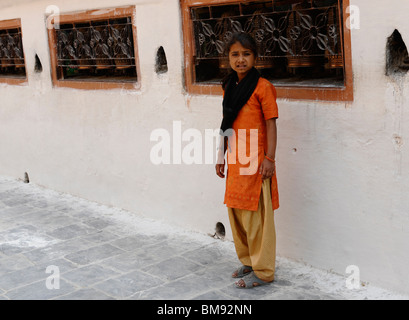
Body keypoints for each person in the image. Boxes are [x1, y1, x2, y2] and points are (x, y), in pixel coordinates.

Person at [215, 32, 279, 289]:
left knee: (256, 219)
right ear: (228, 58)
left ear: (255, 57)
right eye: (235, 54)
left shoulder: (263, 87)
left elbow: (271, 124)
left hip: (256, 162)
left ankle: (263, 271)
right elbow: (226, 123)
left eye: (246, 54)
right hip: (236, 160)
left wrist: (270, 158)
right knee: (237, 215)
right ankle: (249, 262)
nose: (240, 59)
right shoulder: (228, 86)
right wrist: (221, 154)